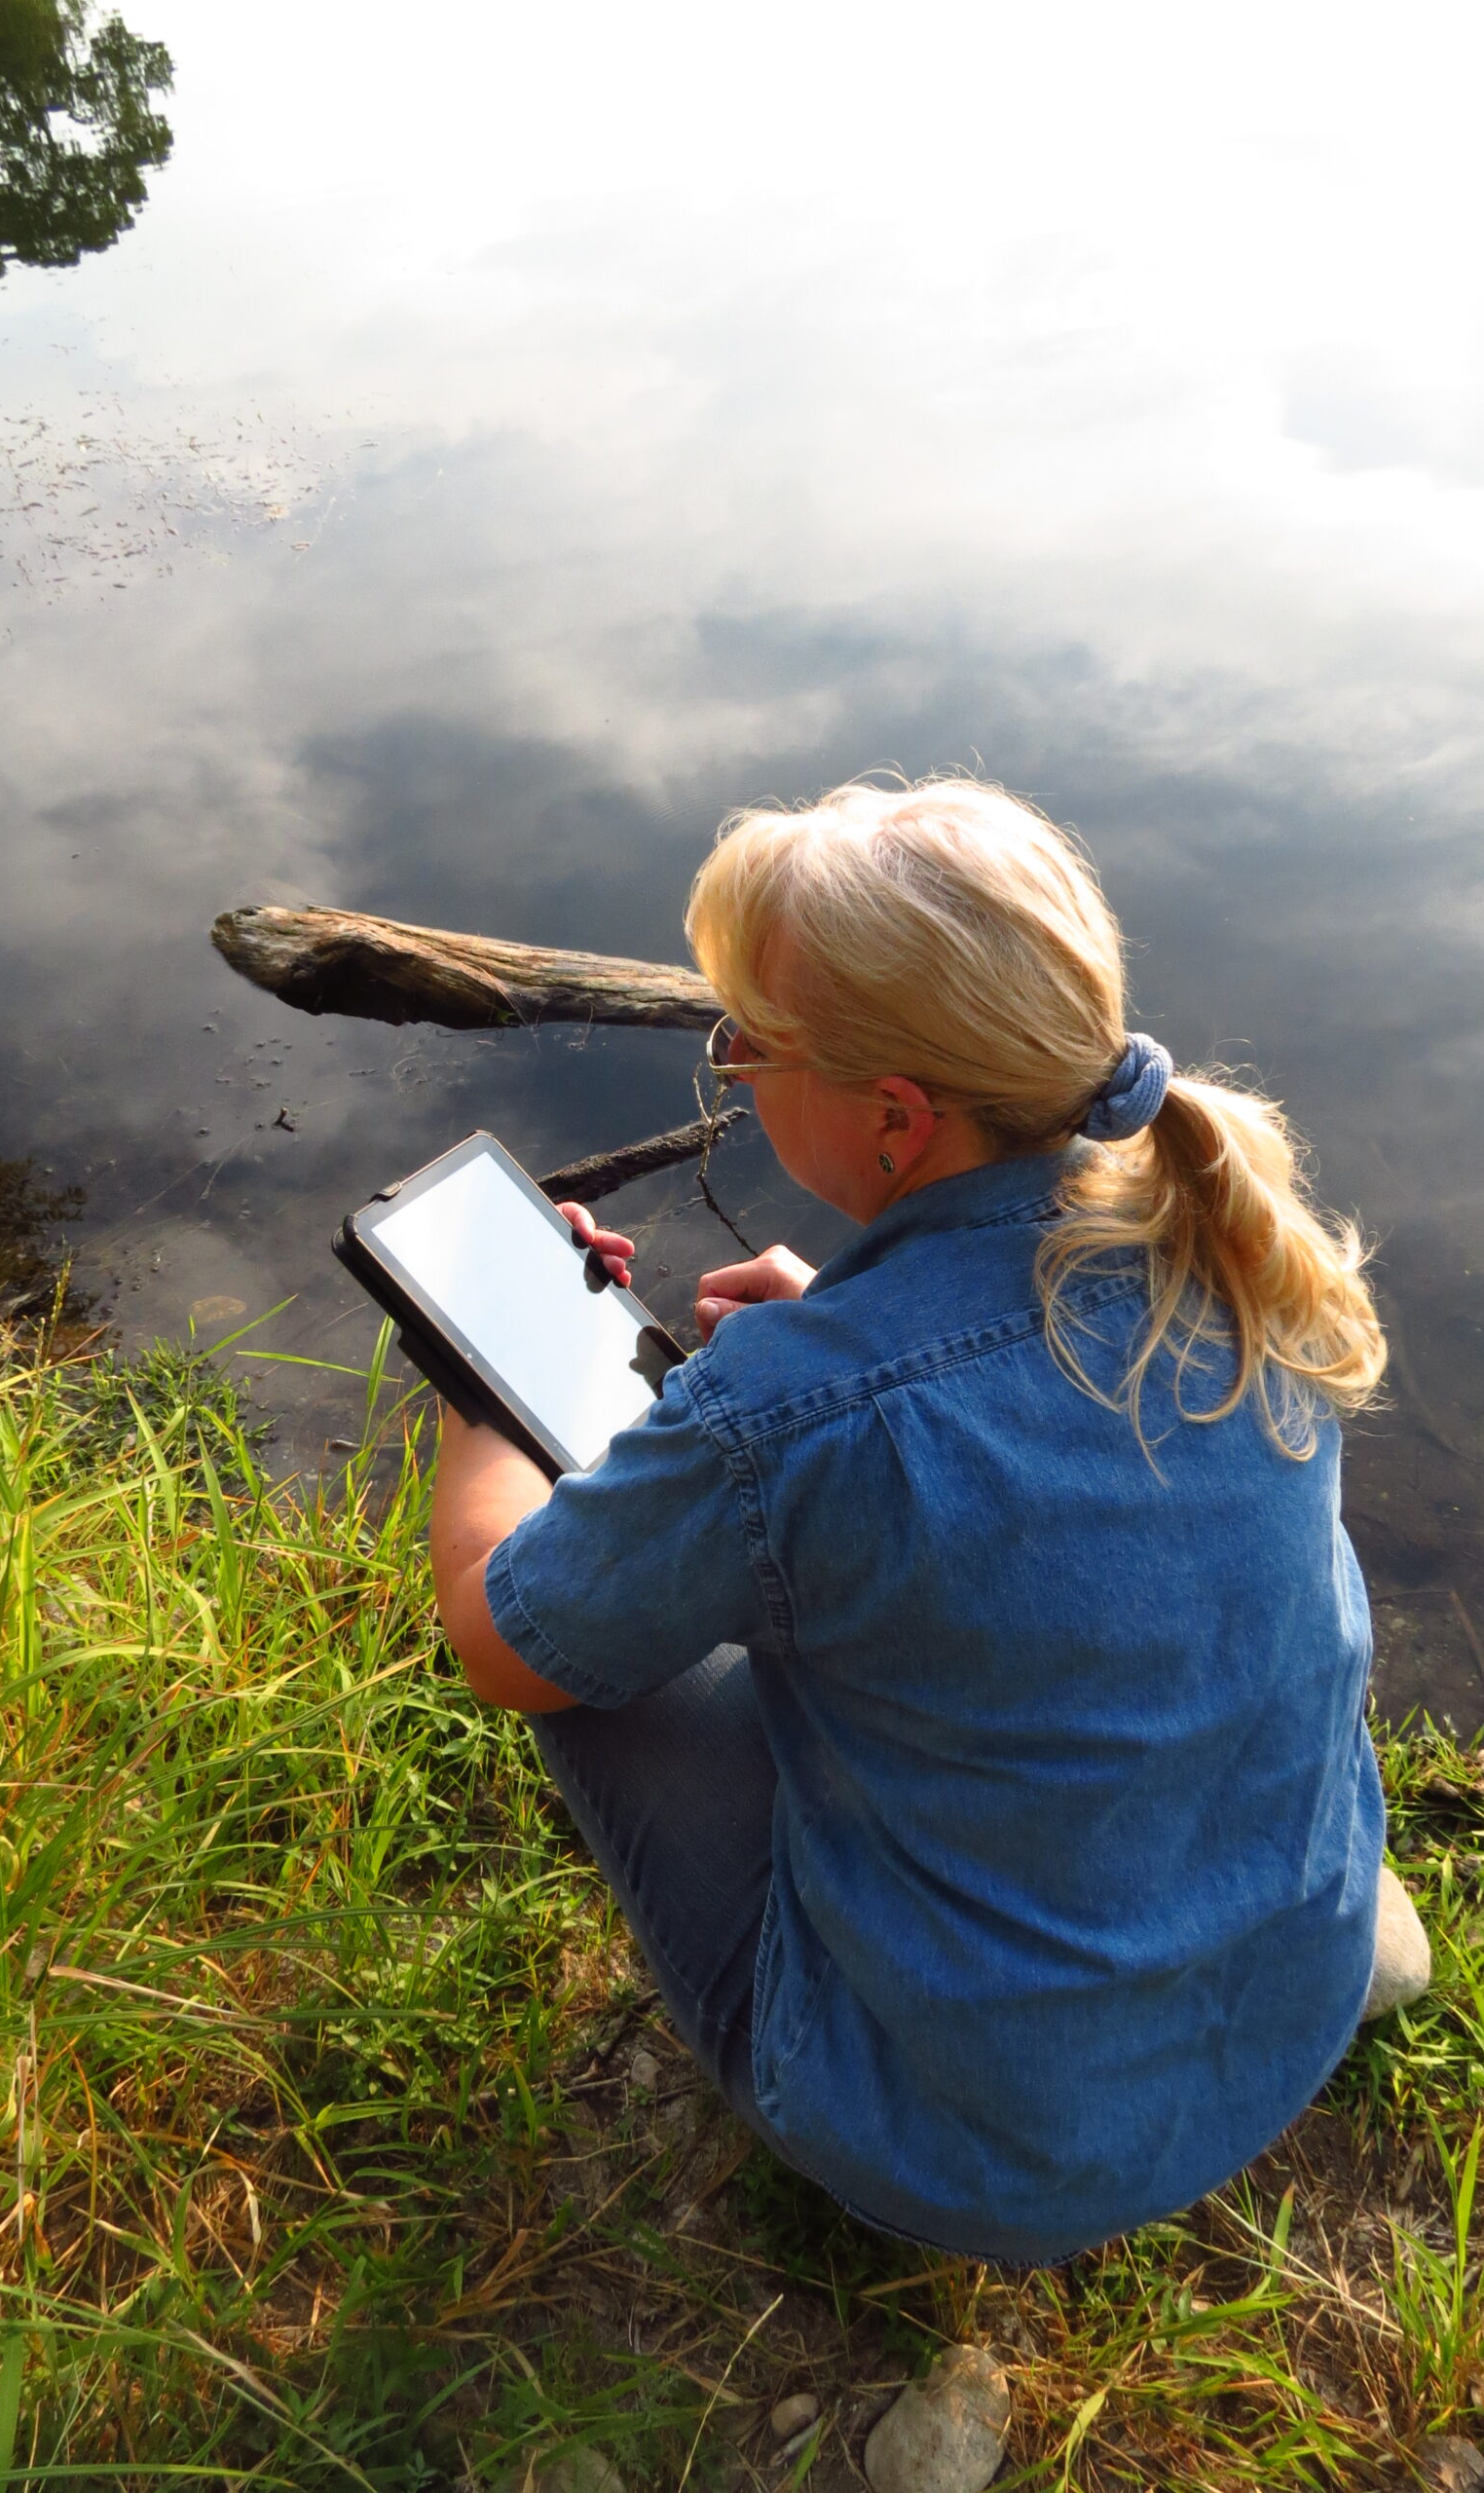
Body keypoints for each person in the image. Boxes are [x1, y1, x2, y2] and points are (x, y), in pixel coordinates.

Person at [428, 776, 1412, 2267]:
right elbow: (1033, 1444)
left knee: (592, 1655)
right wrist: (845, 1336)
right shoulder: (1222, 1255)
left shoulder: (788, 1412)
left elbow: (507, 1642)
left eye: (745, 1047)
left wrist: (476, 1403)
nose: (734, 1077)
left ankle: (871, 2107)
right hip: (1289, 2009)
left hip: (987, 2155)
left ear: (893, 1117)